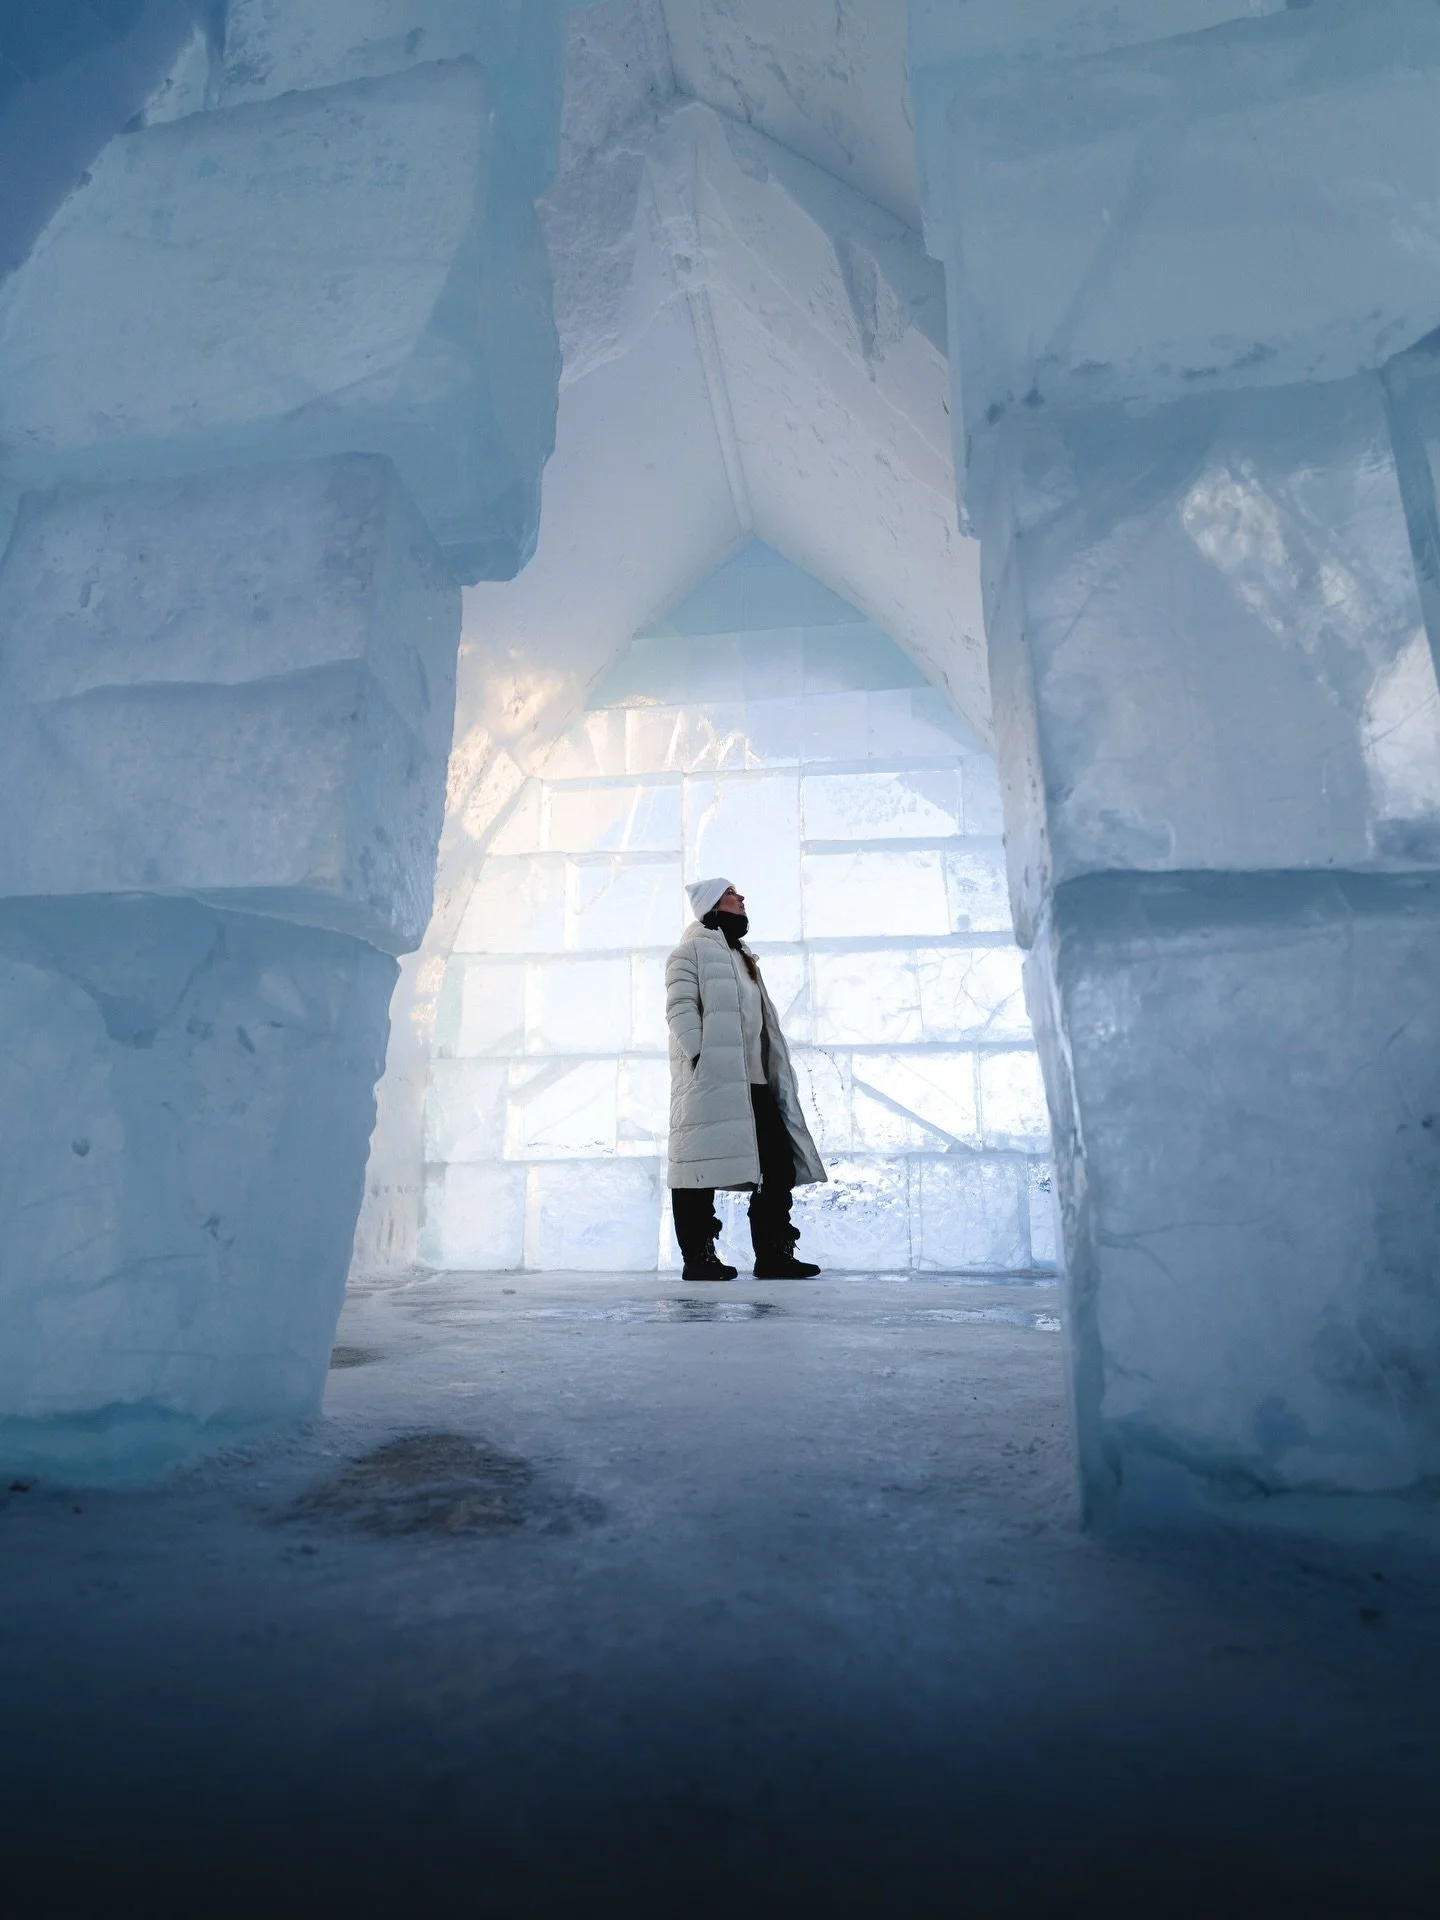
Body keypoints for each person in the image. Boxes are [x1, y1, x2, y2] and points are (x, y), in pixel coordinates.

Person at [665, 877, 826, 1281]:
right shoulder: (690, 952)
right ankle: (698, 1257)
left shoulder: (743, 956)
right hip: (711, 1081)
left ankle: (774, 1253)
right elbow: (680, 1008)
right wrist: (701, 1057)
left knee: (777, 1166)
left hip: (755, 1080)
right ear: (712, 905)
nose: (741, 899)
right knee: (698, 1169)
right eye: (731, 895)